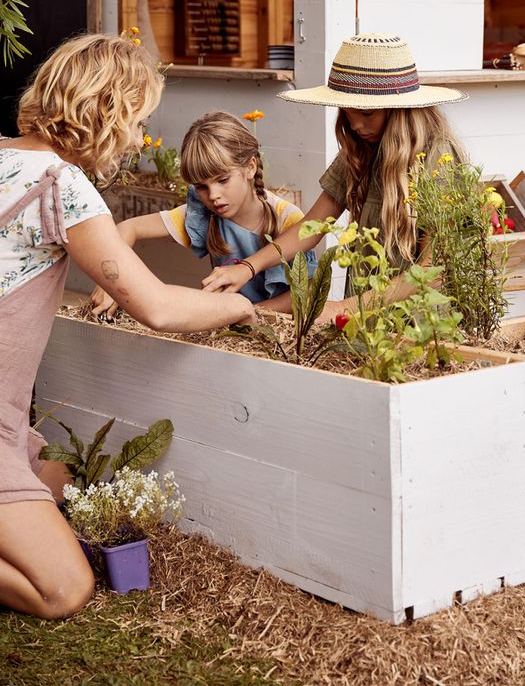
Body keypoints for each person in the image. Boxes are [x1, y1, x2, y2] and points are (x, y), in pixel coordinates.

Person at [0, 34, 256, 621]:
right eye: (137, 120)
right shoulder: (60, 187)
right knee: (65, 588)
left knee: (67, 483)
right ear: (107, 112)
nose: (140, 138)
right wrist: (241, 308)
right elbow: (160, 308)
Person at [200, 33, 467, 318]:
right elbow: (312, 227)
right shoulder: (361, 150)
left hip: (421, 328)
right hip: (364, 321)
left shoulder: (438, 157)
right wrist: (247, 267)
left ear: (400, 110)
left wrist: (342, 309)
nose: (355, 125)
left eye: (366, 113)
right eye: (347, 112)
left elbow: (431, 270)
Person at [89, 111, 317, 319]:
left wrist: (245, 313)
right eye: (201, 187)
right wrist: (111, 283)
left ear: (250, 167)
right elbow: (129, 228)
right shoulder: (205, 214)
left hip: (282, 328)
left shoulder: (288, 220)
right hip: (229, 326)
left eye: (222, 180)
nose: (213, 196)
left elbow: (303, 296)